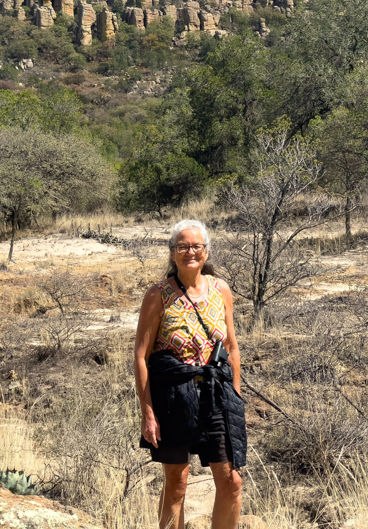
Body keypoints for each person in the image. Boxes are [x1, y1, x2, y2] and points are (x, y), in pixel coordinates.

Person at [133, 219, 246, 529]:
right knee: (177, 483)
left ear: (206, 252)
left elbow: (232, 347)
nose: (190, 252)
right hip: (173, 396)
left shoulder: (220, 289)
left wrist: (234, 393)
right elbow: (141, 356)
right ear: (172, 253)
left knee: (231, 483)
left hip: (215, 393)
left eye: (196, 247)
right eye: (182, 247)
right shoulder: (158, 295)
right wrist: (147, 412)